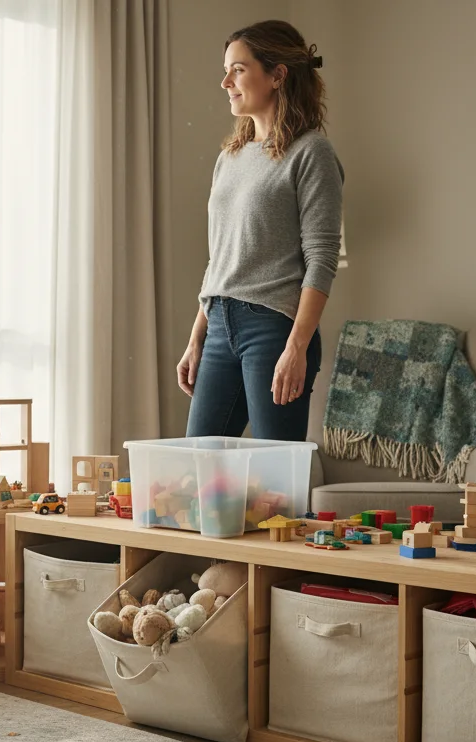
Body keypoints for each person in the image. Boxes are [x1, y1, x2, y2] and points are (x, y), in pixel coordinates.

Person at [179, 20, 343, 442]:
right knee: (201, 472)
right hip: (219, 324)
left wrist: (297, 347)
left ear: (276, 75)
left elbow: (322, 259)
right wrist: (198, 336)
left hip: (273, 328)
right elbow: (220, 257)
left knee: (276, 478)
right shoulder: (230, 158)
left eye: (237, 69)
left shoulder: (311, 153)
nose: (225, 82)